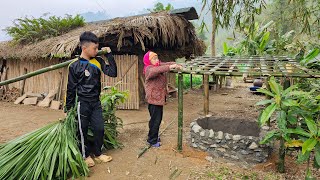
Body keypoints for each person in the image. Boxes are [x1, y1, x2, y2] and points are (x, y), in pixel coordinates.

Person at [64, 31, 117, 167]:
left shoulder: (98, 61)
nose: (96, 50)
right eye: (94, 48)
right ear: (84, 48)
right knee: (82, 130)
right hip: (82, 103)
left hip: (95, 102)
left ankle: (98, 153)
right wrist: (68, 109)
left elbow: (113, 73)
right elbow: (70, 89)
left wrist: (109, 55)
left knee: (99, 128)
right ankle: (85, 155)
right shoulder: (74, 66)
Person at [143, 51, 182, 147]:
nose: (157, 60)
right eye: (154, 58)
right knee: (155, 120)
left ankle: (153, 136)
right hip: (154, 99)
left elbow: (164, 64)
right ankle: (152, 140)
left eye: (157, 58)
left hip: (157, 99)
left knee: (156, 119)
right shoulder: (149, 69)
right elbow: (156, 71)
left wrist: (174, 64)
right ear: (148, 60)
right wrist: (169, 67)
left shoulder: (157, 65)